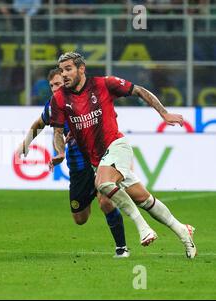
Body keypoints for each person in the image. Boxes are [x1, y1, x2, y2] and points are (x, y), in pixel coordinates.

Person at [48, 52, 197, 258]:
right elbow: (57, 132)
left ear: (81, 69)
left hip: (117, 145)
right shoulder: (59, 99)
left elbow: (140, 91)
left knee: (103, 184)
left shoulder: (104, 84)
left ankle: (143, 228)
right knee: (144, 199)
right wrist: (59, 151)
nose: (64, 74)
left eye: (68, 69)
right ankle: (183, 231)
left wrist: (164, 113)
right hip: (96, 159)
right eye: (62, 70)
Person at [17, 68, 129, 258]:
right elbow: (39, 124)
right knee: (80, 218)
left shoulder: (87, 98)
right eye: (51, 85)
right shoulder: (54, 105)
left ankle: (122, 248)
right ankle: (96, 191)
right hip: (77, 167)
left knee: (105, 202)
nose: (54, 89)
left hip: (99, 158)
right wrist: (26, 143)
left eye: (58, 84)